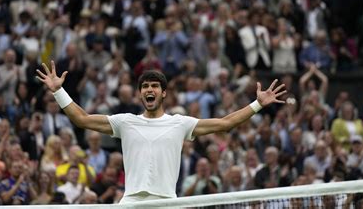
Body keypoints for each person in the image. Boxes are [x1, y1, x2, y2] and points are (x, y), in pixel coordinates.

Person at [36, 61, 286, 203]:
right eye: (145, 86)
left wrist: (258, 105)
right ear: (140, 93)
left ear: (163, 93)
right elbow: (81, 119)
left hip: (166, 201)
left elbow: (225, 123)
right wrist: (58, 91)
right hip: (131, 201)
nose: (149, 89)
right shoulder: (125, 121)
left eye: (154, 86)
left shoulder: (180, 123)